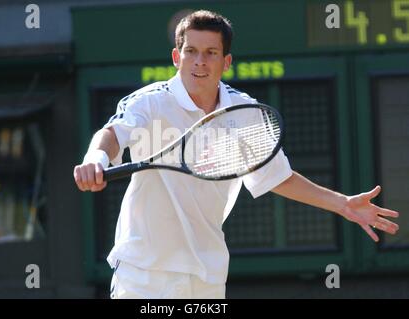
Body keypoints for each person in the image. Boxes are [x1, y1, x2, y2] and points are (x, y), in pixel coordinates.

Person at [73, 10, 399, 299]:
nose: (200, 61)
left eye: (211, 53)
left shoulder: (244, 113)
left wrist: (342, 204)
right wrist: (96, 160)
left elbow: (277, 177)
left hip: (208, 276)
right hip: (143, 274)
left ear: (226, 62)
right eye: (191, 52)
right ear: (177, 57)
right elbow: (113, 134)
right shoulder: (148, 102)